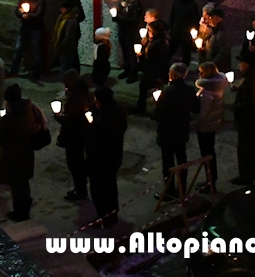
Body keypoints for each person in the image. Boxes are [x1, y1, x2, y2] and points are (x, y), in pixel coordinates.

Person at [0, 83, 40, 221]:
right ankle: (25, 209)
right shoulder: (28, 110)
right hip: (26, 152)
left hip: (13, 155)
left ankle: (20, 213)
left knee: (16, 185)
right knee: (23, 182)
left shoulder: (9, 118)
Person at [85, 85, 127, 227]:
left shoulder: (101, 122)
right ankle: (112, 215)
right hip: (114, 157)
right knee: (110, 188)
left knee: (100, 191)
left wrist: (90, 124)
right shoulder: (117, 111)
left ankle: (105, 218)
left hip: (100, 161)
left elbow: (93, 141)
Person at [153, 63, 193, 201]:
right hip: (182, 131)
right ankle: (182, 190)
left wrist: (157, 103)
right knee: (182, 160)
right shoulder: (189, 89)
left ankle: (169, 191)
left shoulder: (168, 92)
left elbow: (158, 115)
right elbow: (195, 107)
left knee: (168, 163)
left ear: (173, 75)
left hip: (168, 133)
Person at [53, 70, 92, 201]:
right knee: (78, 163)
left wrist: (58, 116)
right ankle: (80, 188)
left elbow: (71, 120)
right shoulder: (82, 92)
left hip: (75, 136)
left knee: (76, 164)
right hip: (79, 134)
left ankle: (80, 191)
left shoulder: (77, 98)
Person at [231, 52, 255, 185]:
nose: (239, 65)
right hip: (254, 117)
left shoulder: (248, 80)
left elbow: (248, 102)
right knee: (252, 146)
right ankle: (254, 172)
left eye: (241, 63)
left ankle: (245, 175)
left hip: (246, 119)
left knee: (244, 148)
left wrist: (235, 106)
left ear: (247, 65)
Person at [194, 62, 226, 192]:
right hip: (213, 123)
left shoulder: (208, 92)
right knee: (210, 152)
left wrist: (192, 117)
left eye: (202, 72)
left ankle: (210, 182)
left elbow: (203, 114)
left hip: (206, 126)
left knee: (207, 154)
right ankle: (211, 180)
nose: (199, 74)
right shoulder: (217, 86)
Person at [8, 0, 47, 80]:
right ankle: (13, 71)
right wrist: (21, 14)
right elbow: (18, 9)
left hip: (36, 29)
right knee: (18, 49)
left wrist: (29, 15)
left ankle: (37, 73)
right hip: (25, 28)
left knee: (36, 50)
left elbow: (39, 14)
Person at [137, 20, 170, 115]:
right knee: (146, 88)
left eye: (150, 30)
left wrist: (159, 76)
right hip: (150, 70)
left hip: (154, 72)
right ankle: (144, 108)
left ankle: (152, 110)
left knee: (154, 91)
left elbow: (160, 60)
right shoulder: (153, 40)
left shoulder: (160, 44)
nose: (148, 32)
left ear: (156, 31)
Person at [113, 0, 142, 84]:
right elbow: (121, 12)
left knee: (131, 52)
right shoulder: (126, 2)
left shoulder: (136, 4)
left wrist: (120, 18)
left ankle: (133, 73)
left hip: (130, 31)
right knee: (124, 51)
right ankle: (126, 70)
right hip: (122, 29)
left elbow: (134, 20)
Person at [168, 0, 200, 64]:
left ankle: (185, 67)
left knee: (186, 52)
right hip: (176, 30)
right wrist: (171, 28)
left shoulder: (193, 5)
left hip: (186, 32)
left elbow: (195, 19)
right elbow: (172, 15)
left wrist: (193, 31)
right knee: (170, 49)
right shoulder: (176, 2)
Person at [53, 0, 81, 74]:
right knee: (66, 65)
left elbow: (69, 36)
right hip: (65, 46)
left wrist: (60, 45)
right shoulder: (63, 18)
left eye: (62, 8)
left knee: (66, 66)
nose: (60, 10)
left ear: (67, 9)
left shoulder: (70, 21)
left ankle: (68, 82)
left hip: (67, 47)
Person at [202, 8, 231, 72]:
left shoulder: (222, 33)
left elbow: (224, 52)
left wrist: (212, 65)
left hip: (218, 69)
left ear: (217, 18)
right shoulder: (213, 30)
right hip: (212, 66)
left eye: (210, 17)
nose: (208, 19)